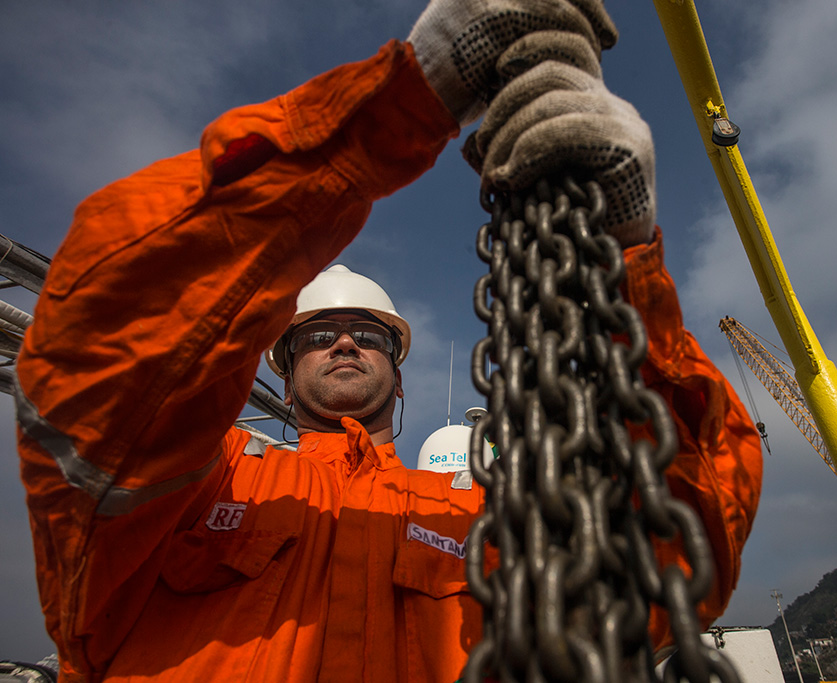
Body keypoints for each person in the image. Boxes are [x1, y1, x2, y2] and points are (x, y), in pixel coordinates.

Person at [15, 0, 763, 681]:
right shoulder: (201, 485)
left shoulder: (477, 516)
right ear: (274, 359)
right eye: (320, 335)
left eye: (366, 334)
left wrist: (619, 261)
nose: (344, 343)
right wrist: (409, 97)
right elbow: (108, 333)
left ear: (399, 374)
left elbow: (675, 540)